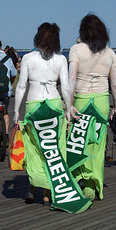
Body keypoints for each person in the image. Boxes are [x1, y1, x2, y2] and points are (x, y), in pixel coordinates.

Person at [13, 23, 70, 205]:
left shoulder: (28, 58)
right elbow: (66, 88)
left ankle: (31, 188)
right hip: (53, 105)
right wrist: (68, 109)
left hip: (34, 104)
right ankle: (47, 193)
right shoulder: (61, 59)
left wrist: (16, 111)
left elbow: (21, 86)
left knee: (34, 147)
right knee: (53, 148)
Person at [68, 14, 116, 201]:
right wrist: (115, 106)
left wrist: (69, 104)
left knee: (78, 140)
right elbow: (114, 85)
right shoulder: (110, 53)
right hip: (101, 101)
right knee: (97, 143)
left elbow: (71, 79)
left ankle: (78, 178)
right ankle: (92, 185)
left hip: (81, 99)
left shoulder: (76, 49)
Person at [0, 41, 17, 144]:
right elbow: (13, 74)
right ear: (1, 47)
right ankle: (5, 135)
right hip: (5, 90)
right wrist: (9, 85)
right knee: (5, 112)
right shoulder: (8, 58)